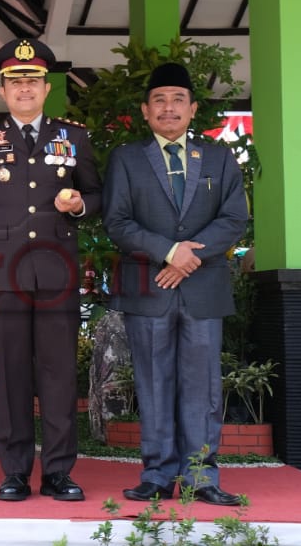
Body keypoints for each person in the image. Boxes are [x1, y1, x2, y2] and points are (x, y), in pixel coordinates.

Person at [0, 39, 102, 502]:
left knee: (59, 375)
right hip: (4, 278)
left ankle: (59, 472)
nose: (25, 89)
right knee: (12, 375)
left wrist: (80, 204)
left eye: (33, 81)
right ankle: (15, 472)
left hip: (57, 273)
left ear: (46, 88)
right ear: (2, 89)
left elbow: (98, 198)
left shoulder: (73, 137)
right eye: (16, 82)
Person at [102, 62, 249, 506]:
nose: (169, 108)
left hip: (203, 290)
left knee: (202, 386)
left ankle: (202, 476)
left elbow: (234, 218)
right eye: (160, 101)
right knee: (153, 382)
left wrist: (190, 257)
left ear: (193, 109)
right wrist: (170, 252)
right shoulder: (127, 159)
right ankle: (158, 474)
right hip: (149, 288)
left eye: (178, 100)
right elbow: (118, 222)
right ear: (146, 111)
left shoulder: (220, 158)